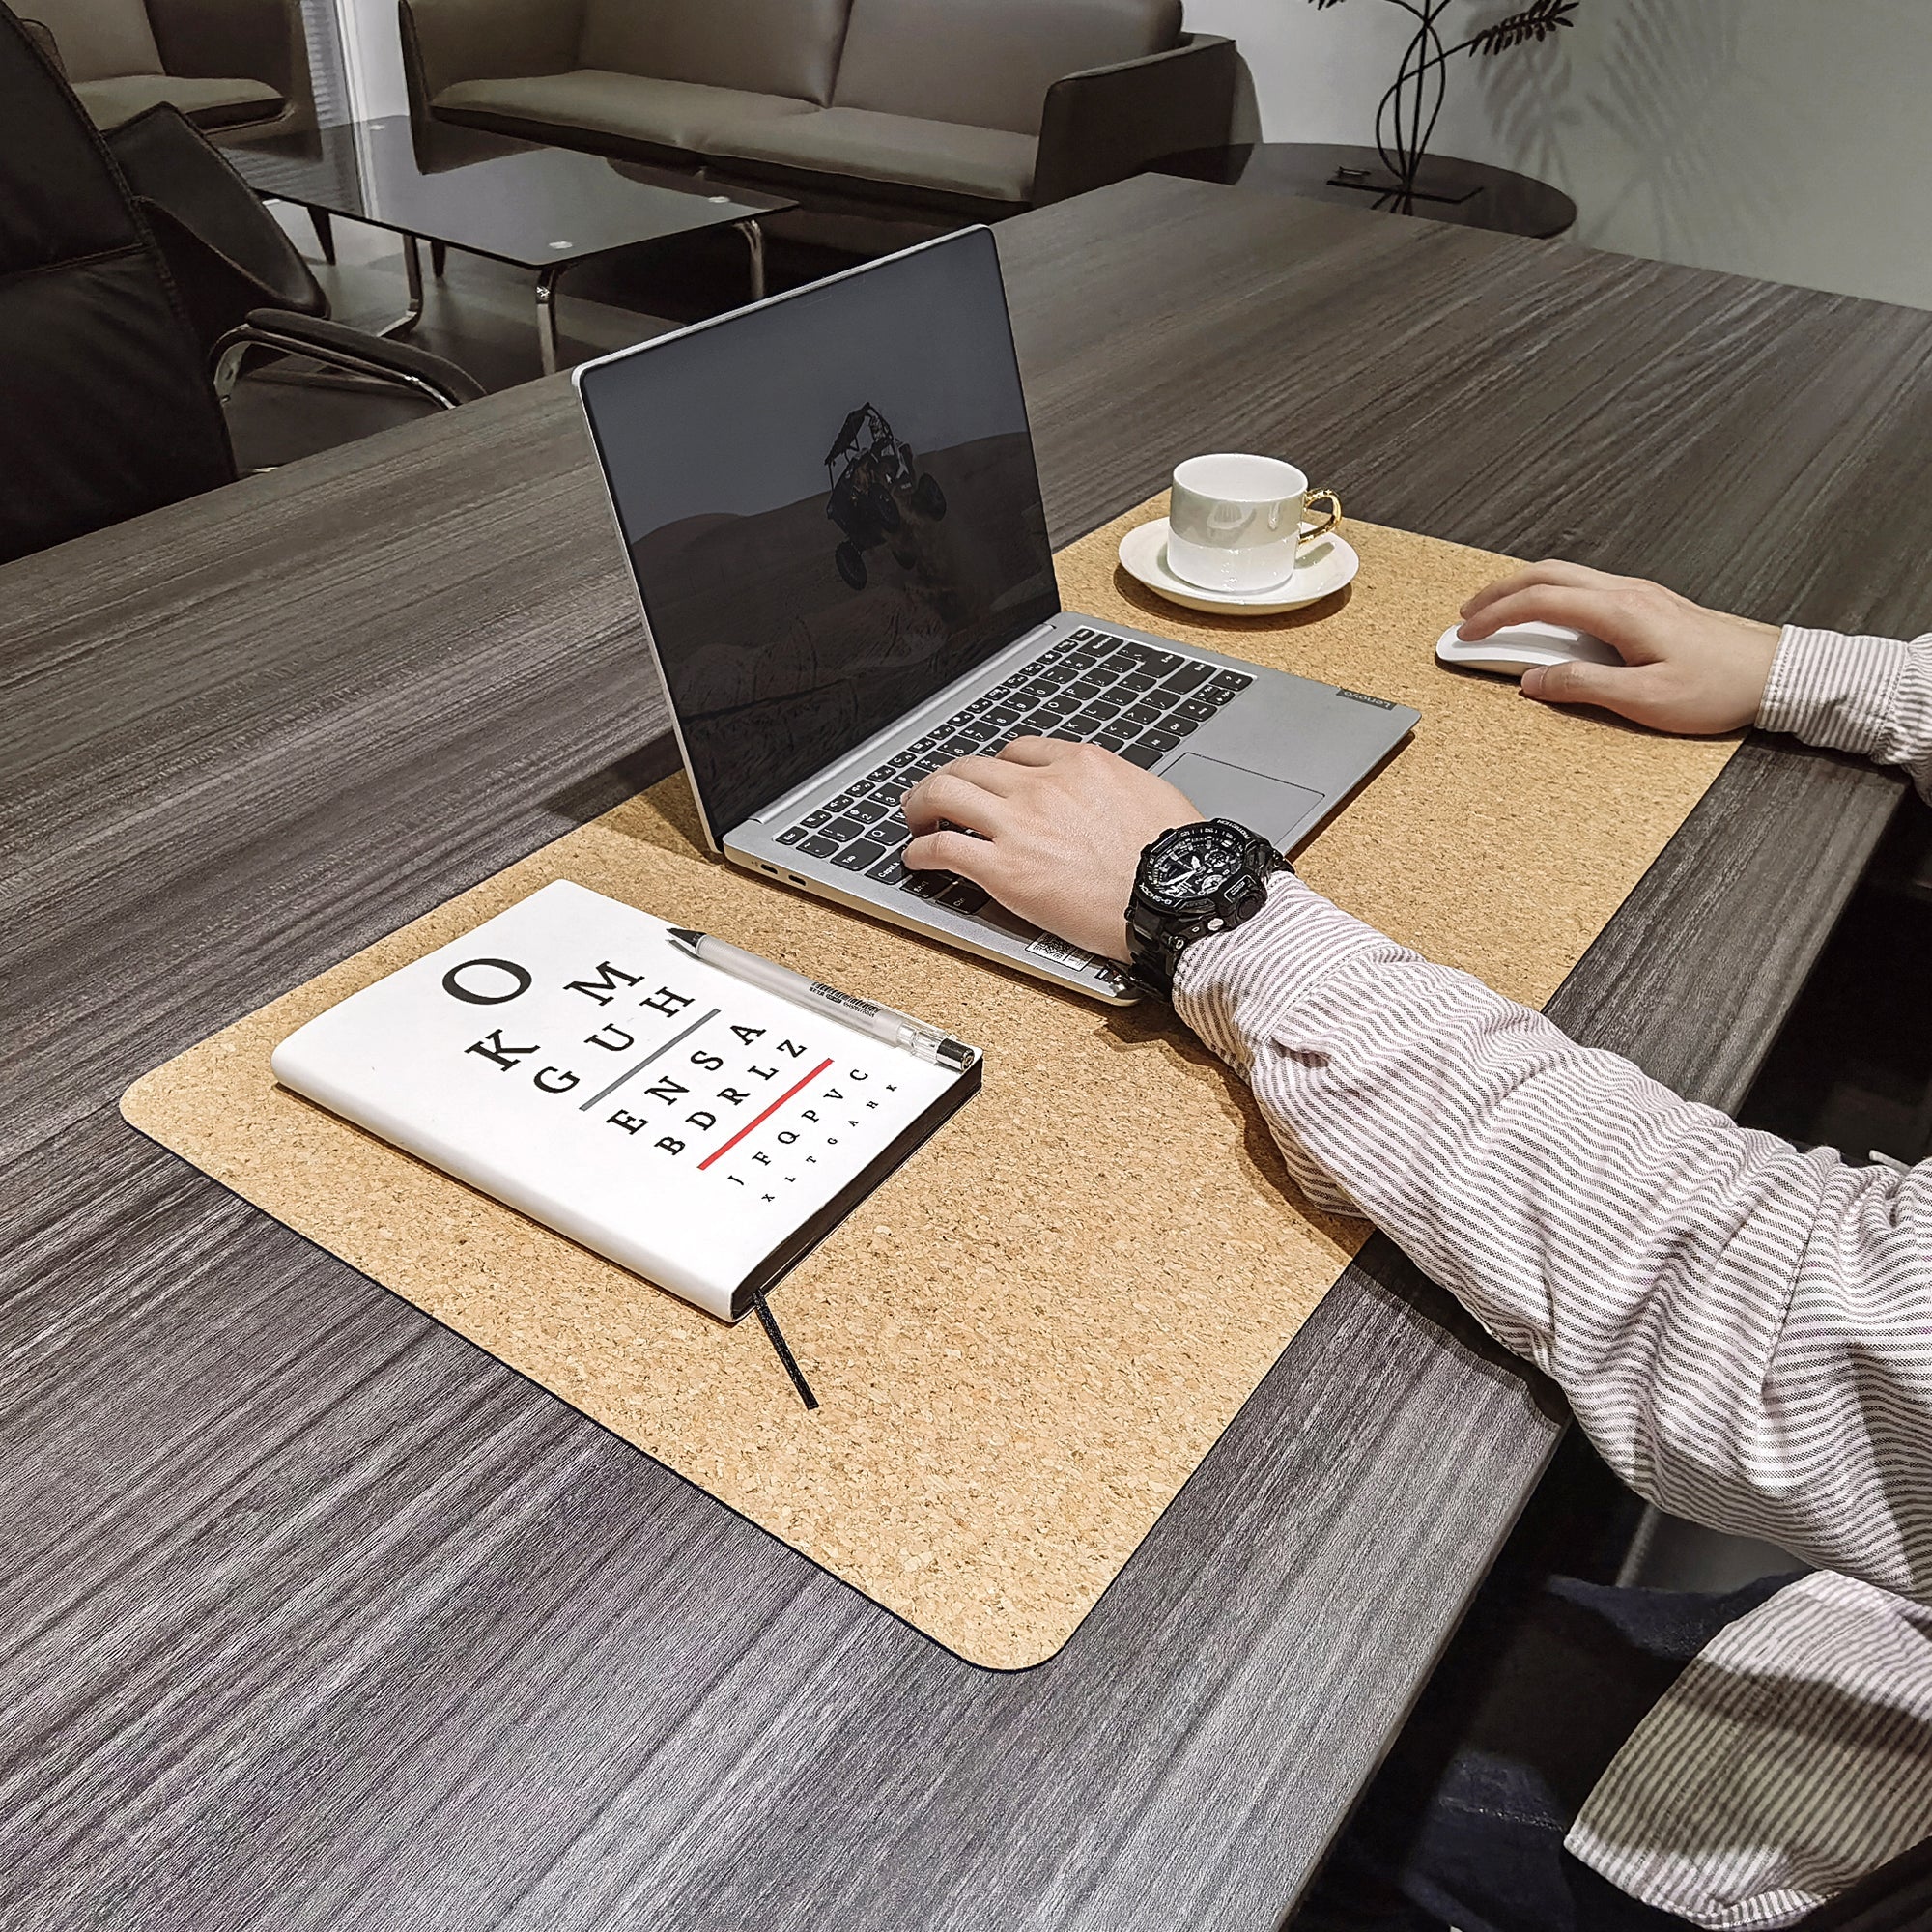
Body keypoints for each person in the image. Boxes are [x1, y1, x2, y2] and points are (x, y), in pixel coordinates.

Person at [898, 561, 1932, 1932]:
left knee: (1038, 1780)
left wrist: (1209, 911)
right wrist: (1819, 673)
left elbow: (1776, 1313)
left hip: (1831, 1814)